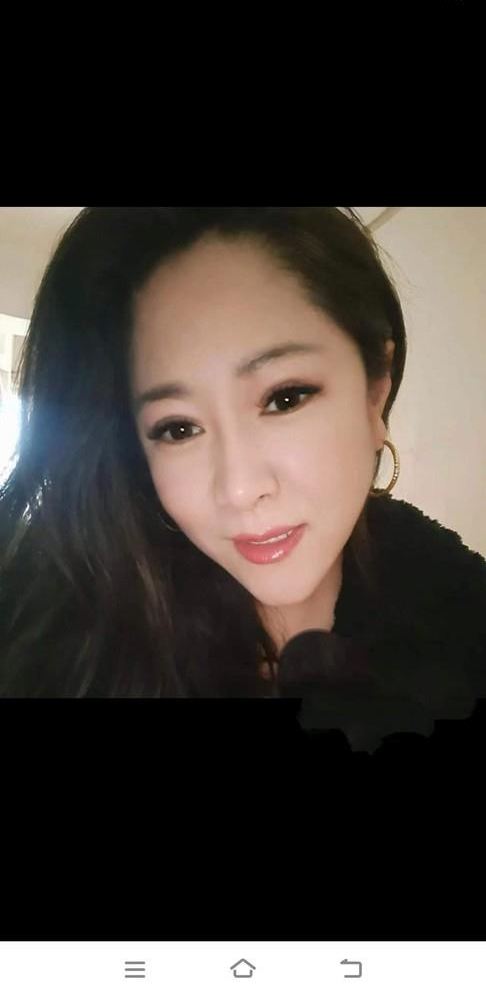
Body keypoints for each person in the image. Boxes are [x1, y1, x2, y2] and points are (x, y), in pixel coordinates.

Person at [0, 208, 484, 743]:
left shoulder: (463, 621)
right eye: (179, 428)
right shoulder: (62, 636)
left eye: (284, 398)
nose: (238, 489)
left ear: (375, 393)